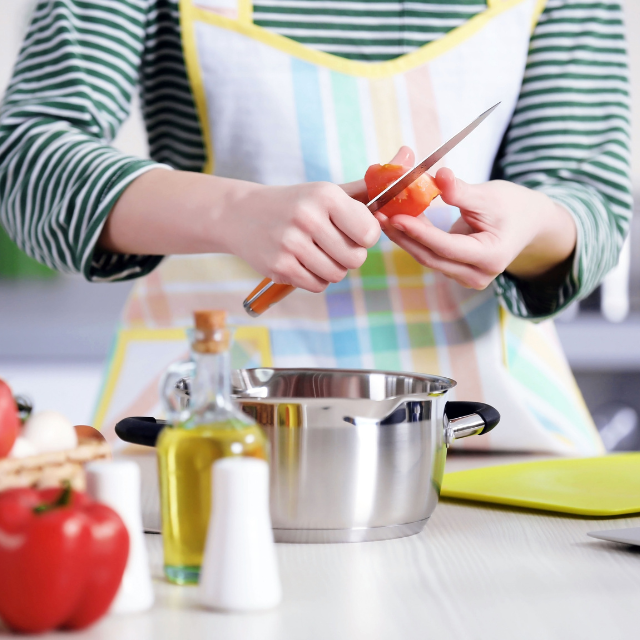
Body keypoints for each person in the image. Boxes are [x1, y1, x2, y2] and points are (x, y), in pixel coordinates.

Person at [0, 0, 631, 453]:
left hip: (479, 433)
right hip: (205, 429)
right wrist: (230, 212)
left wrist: (533, 226)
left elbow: (590, 204)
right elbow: (26, 160)